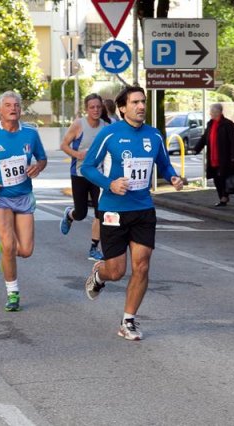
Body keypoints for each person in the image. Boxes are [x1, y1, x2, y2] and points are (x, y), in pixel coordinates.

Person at [81, 86, 183, 341]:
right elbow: (87, 167)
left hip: (143, 209)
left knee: (142, 265)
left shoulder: (154, 135)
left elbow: (163, 163)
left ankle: (128, 321)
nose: (141, 106)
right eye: (135, 102)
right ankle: (99, 273)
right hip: (114, 209)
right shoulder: (109, 134)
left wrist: (172, 176)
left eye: (143, 102)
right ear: (122, 108)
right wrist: (109, 184)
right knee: (116, 271)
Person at [0, 91, 47, 313]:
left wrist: (37, 167)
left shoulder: (31, 133)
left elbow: (42, 158)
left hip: (23, 196)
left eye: (16, 105)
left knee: (25, 250)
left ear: (21, 109)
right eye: (7, 105)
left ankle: (7, 249)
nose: (12, 108)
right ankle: (12, 292)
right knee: (8, 244)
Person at [59, 93, 108, 261]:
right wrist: (77, 154)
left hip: (98, 175)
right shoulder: (79, 125)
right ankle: (69, 215)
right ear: (86, 109)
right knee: (80, 213)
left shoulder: (106, 126)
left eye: (98, 107)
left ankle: (94, 248)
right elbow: (63, 145)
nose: (95, 110)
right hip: (79, 173)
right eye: (92, 107)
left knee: (100, 213)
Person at [193, 103, 234, 207]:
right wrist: (196, 149)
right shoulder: (210, 124)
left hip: (224, 157)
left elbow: (233, 142)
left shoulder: (227, 124)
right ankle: (222, 197)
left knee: (223, 177)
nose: (210, 113)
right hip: (212, 157)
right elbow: (205, 138)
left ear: (217, 112)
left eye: (211, 111)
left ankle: (224, 197)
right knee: (216, 178)